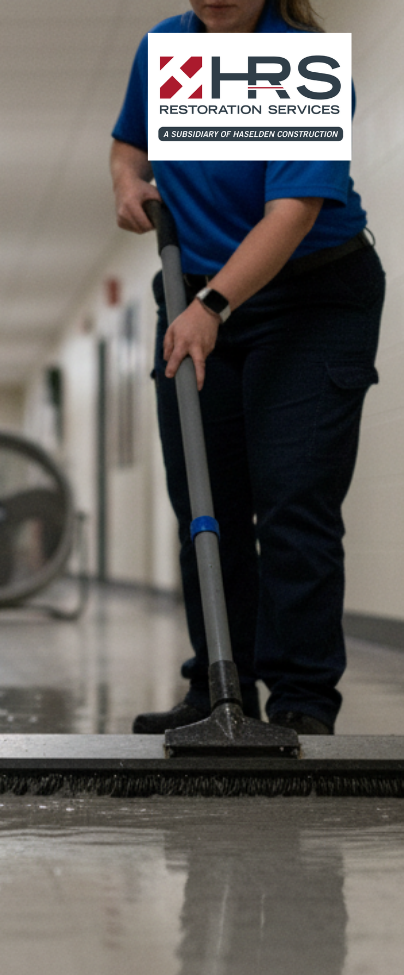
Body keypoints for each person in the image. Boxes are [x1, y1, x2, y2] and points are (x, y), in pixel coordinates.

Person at [110, 0, 384, 735]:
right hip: (198, 294)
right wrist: (128, 181)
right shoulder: (164, 47)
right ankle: (218, 686)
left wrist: (214, 306)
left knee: (293, 498)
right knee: (207, 501)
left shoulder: (304, 66)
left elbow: (291, 214)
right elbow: (128, 145)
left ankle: (301, 703)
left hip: (313, 297)